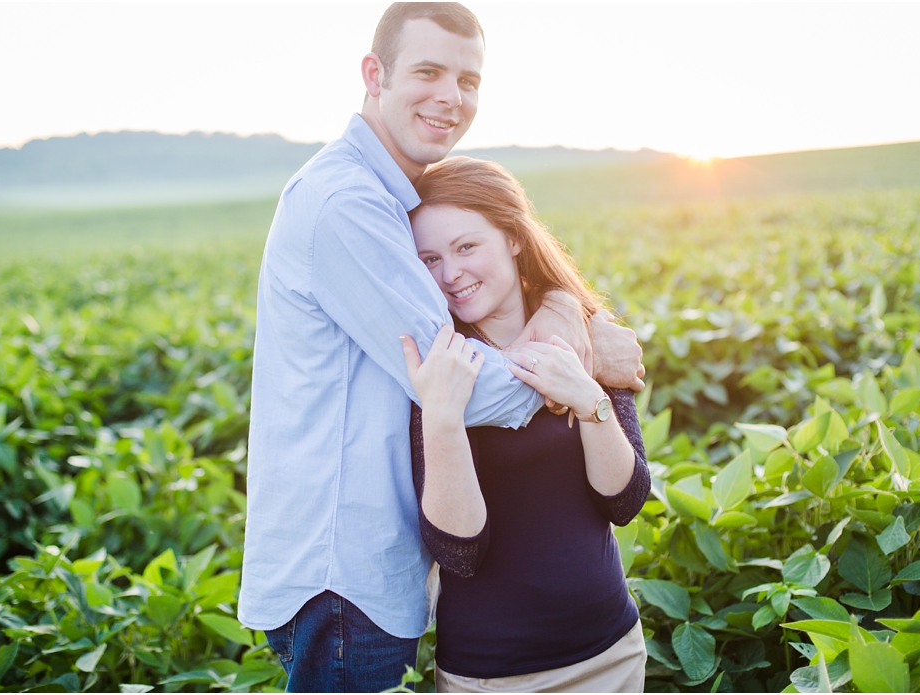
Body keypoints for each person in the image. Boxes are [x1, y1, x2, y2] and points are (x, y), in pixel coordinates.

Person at [238, 3, 645, 692]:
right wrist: (582, 360)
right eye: (427, 71)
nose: (450, 98)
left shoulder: (390, 199)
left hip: (370, 578)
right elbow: (467, 383)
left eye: (468, 79)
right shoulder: (348, 203)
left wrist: (561, 304)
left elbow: (624, 492)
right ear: (374, 74)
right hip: (345, 575)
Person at [401, 157, 651, 693]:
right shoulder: (443, 363)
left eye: (467, 247)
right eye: (429, 259)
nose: (451, 274)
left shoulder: (586, 333)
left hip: (612, 652)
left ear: (514, 238)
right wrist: (442, 421)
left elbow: (624, 501)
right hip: (492, 674)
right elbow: (458, 550)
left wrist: (591, 402)